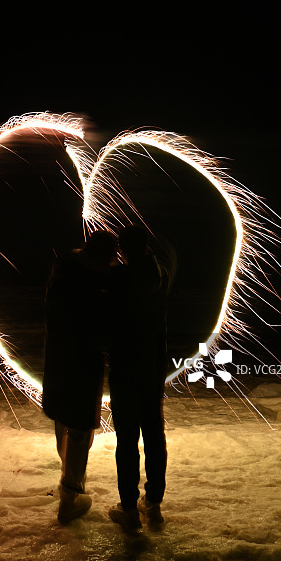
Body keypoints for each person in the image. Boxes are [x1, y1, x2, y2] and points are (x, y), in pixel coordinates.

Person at [42, 229, 117, 523]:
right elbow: (96, 334)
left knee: (65, 423)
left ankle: (69, 486)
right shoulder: (90, 287)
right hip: (81, 366)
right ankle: (70, 498)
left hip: (58, 361)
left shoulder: (61, 276)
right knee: (78, 430)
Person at [107, 225, 168, 531]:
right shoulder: (158, 276)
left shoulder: (117, 279)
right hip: (153, 366)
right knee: (154, 435)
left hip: (124, 368)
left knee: (127, 440)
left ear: (123, 250)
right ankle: (154, 505)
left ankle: (129, 510)